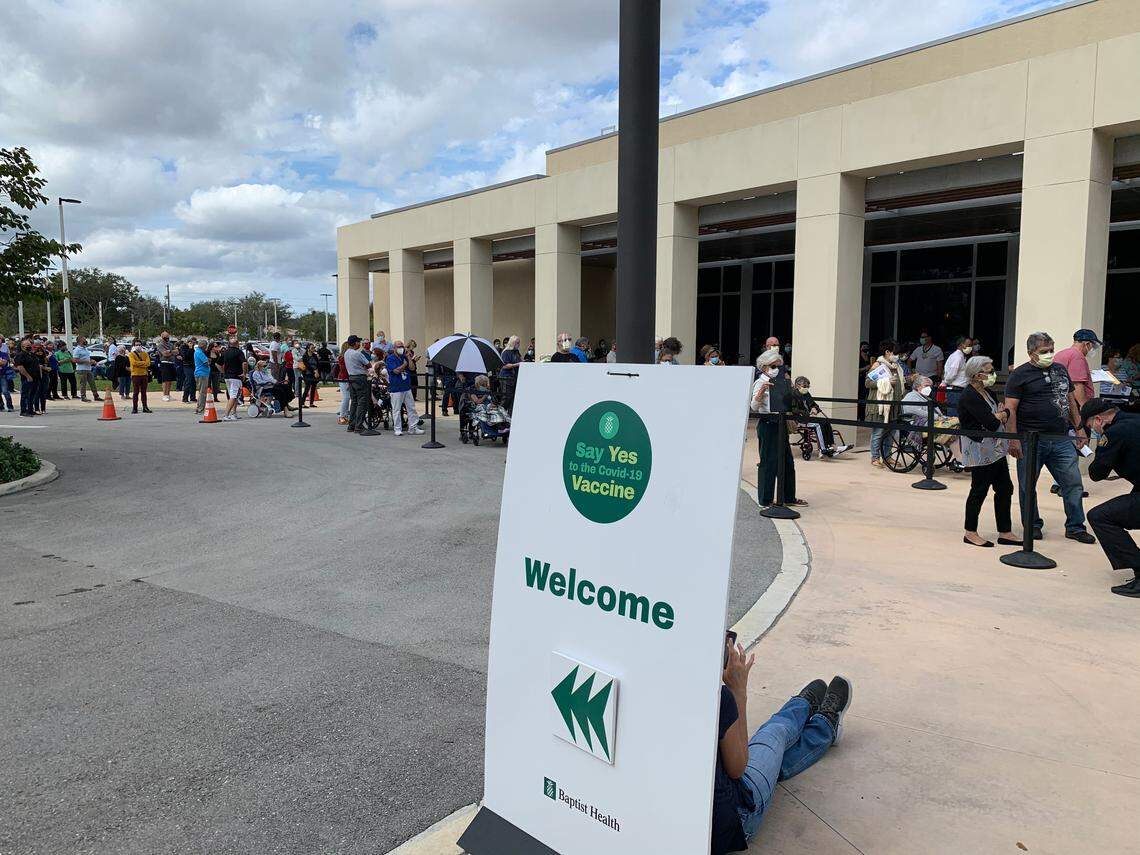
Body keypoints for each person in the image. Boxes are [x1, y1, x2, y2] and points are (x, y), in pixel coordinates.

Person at [711, 636, 851, 854]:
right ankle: (817, 717)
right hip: (734, 818)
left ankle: (816, 717)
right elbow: (738, 767)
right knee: (774, 733)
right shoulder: (715, 699)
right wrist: (738, 691)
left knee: (772, 759)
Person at [1004, 332, 1095, 544]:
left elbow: (1071, 401)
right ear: (1031, 353)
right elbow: (1011, 408)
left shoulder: (1061, 369)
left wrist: (1079, 428)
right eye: (1044, 352)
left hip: (1061, 438)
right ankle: (1032, 524)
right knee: (1028, 485)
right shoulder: (1019, 375)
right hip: (1031, 439)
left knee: (1073, 483)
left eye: (1051, 350)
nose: (1049, 355)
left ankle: (1075, 526)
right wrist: (1013, 439)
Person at [957, 356, 1019, 548]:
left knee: (1005, 488)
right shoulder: (969, 396)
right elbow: (992, 422)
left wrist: (1000, 415)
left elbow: (1003, 413)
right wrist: (999, 415)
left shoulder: (988, 392)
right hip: (979, 449)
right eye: (989, 371)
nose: (993, 374)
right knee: (979, 490)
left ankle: (1005, 531)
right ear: (976, 375)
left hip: (995, 449)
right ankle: (970, 532)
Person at [1082, 399, 1140, 597]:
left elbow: (1097, 473)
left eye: (1091, 427)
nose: (1094, 431)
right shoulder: (1135, 419)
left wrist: (1100, 451)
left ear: (1099, 420)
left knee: (1100, 516)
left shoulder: (1114, 433)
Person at [751, 350, 805, 507]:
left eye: (780, 366)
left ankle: (788, 497)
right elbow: (754, 406)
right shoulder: (760, 382)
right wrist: (761, 391)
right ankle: (765, 500)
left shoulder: (781, 381)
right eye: (774, 366)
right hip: (768, 423)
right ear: (764, 367)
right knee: (769, 462)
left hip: (781, 423)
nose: (777, 369)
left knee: (787, 461)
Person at [865, 339, 907, 469]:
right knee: (878, 432)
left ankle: (887, 456)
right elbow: (868, 383)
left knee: (891, 432)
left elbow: (901, 384)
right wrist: (887, 382)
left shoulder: (896, 367)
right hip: (880, 405)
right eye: (896, 353)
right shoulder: (878, 365)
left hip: (894, 405)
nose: (898, 356)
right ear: (887, 352)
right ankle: (875, 457)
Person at [791, 376, 850, 456]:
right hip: (799, 419)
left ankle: (833, 446)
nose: (806, 388)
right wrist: (806, 412)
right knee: (819, 424)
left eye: (808, 387)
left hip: (808, 418)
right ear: (797, 386)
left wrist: (814, 408)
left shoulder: (806, 394)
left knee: (826, 421)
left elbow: (814, 404)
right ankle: (823, 449)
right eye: (804, 387)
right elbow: (794, 410)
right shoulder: (793, 395)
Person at [1053, 329, 1101, 411]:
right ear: (1087, 344)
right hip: (1073, 406)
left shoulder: (1062, 353)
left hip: (1059, 402)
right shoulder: (1077, 356)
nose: (1093, 349)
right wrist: (1085, 407)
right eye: (1094, 346)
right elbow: (1077, 385)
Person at [386, 340, 424, 436]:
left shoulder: (404, 357)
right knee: (397, 409)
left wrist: (408, 358)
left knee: (411, 408)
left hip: (406, 387)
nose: (401, 348)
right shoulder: (390, 358)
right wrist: (404, 365)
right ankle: (398, 429)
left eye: (402, 346)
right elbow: (396, 371)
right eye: (398, 346)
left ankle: (413, 427)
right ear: (394, 348)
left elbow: (411, 368)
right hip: (396, 388)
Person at [343, 335, 371, 433]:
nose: (360, 344)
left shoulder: (346, 353)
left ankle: (352, 424)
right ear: (355, 343)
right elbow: (368, 364)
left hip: (351, 377)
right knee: (362, 402)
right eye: (358, 342)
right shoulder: (357, 354)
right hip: (360, 377)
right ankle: (359, 425)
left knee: (354, 401)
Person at [941, 337, 973, 417]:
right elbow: (952, 373)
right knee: (954, 415)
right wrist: (946, 382)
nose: (970, 347)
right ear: (962, 345)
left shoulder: (959, 356)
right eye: (969, 345)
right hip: (955, 390)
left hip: (957, 390)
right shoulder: (958, 357)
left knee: (958, 413)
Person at [220, 336, 247, 421]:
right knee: (233, 396)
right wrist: (244, 373)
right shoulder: (239, 352)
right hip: (236, 377)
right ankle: (226, 415)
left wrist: (223, 371)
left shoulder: (225, 352)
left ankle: (233, 413)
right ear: (237, 344)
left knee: (234, 396)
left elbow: (218, 364)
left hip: (227, 377)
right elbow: (244, 363)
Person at [13, 337, 41, 417]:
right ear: (23, 346)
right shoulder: (21, 355)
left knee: (32, 394)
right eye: (28, 345)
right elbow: (20, 367)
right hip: (27, 378)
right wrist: (28, 376)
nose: (30, 346)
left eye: (30, 344)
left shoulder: (31, 354)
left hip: (35, 377)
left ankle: (30, 410)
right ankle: (23, 411)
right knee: (25, 395)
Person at [72, 336, 102, 402]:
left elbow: (86, 358)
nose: (86, 341)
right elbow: (74, 360)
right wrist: (87, 361)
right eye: (84, 340)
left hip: (88, 368)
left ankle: (96, 396)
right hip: (81, 369)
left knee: (92, 382)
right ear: (80, 341)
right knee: (83, 383)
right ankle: (83, 396)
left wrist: (92, 361)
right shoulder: (77, 349)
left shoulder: (85, 348)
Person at [128, 340, 153, 414]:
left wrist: (140, 364)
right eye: (136, 345)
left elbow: (148, 363)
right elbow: (133, 363)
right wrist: (143, 363)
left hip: (144, 375)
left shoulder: (145, 354)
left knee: (144, 392)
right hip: (135, 375)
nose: (138, 346)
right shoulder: (131, 354)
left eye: (139, 344)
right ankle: (135, 408)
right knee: (135, 392)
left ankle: (145, 407)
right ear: (134, 346)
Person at [498, 335, 522, 410]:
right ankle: (500, 414)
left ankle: (510, 417)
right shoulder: (506, 352)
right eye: (517, 343)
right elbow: (504, 365)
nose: (518, 344)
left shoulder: (516, 352)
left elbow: (520, 360)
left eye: (519, 343)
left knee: (513, 398)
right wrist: (517, 364)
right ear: (512, 343)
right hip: (506, 377)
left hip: (514, 377)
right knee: (506, 397)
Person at [156, 331, 177, 401]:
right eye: (166, 337)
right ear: (162, 337)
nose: (167, 338)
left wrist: (169, 351)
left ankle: (168, 394)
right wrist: (172, 352)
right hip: (164, 363)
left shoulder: (171, 344)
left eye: (168, 337)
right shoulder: (160, 345)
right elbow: (164, 354)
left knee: (170, 380)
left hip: (171, 363)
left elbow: (177, 351)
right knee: (165, 380)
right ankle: (165, 394)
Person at [192, 339, 211, 414]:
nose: (206, 347)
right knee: (203, 392)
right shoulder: (199, 352)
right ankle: (200, 408)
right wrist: (209, 361)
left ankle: (199, 407)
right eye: (206, 345)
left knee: (201, 391)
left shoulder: (198, 352)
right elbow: (206, 363)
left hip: (201, 373)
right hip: (202, 373)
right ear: (203, 345)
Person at [179, 338, 197, 403]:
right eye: (191, 342)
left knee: (193, 382)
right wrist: (189, 348)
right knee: (188, 381)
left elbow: (193, 356)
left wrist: (191, 348)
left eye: (194, 342)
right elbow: (186, 356)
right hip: (187, 366)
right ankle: (185, 398)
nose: (192, 343)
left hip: (193, 365)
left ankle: (193, 397)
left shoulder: (192, 348)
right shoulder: (183, 347)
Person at [0, 337, 13, 412]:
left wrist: (2, 362)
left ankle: (10, 406)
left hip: (2, 374)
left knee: (5, 391)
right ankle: (1, 406)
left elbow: (4, 363)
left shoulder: (3, 354)